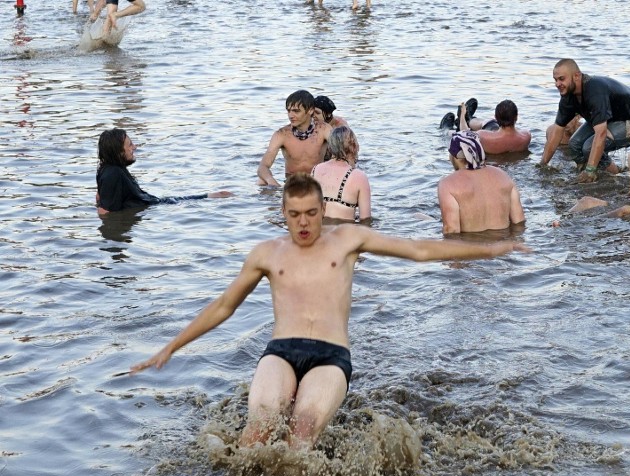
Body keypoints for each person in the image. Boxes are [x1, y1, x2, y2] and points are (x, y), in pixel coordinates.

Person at [131, 173, 529, 451]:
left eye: (310, 213)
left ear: (323, 209)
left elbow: (420, 249)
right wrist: (170, 347)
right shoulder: (267, 254)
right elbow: (222, 307)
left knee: (301, 434)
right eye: (294, 214)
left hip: (331, 356)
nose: (303, 223)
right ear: (283, 213)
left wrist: (494, 248)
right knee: (257, 433)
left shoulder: (347, 241)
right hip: (280, 352)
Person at [541, 58, 630, 184]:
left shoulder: (594, 90)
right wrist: (542, 165)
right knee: (574, 145)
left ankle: (613, 176)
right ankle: (592, 175)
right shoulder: (568, 96)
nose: (557, 84)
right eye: (555, 80)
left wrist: (590, 170)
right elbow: (557, 130)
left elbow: (601, 134)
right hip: (609, 119)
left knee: (588, 147)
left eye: (561, 79)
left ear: (577, 76)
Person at [95, 128, 232, 215]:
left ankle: (210, 195)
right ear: (118, 152)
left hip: (155, 203)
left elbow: (100, 198)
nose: (135, 147)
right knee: (218, 196)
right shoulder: (113, 174)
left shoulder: (108, 169)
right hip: (157, 206)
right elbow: (105, 212)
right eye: (130, 145)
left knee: (217, 195)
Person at [437, 131, 525, 234]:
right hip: (502, 247)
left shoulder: (447, 184)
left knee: (421, 217)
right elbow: (519, 222)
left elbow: (452, 231)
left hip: (472, 248)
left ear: (453, 156)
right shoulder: (504, 176)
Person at [257, 90, 332, 187]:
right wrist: (271, 182)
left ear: (310, 110)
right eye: (289, 111)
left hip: (317, 182)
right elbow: (262, 167)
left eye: (296, 111)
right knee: (261, 181)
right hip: (292, 183)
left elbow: (344, 154)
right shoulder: (281, 134)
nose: (290, 115)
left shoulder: (323, 129)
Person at [310, 126, 371, 222]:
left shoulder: (316, 170)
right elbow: (366, 220)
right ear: (354, 147)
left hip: (318, 232)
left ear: (330, 147)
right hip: (343, 233)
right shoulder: (359, 176)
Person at [458, 99, 532, 155]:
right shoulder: (526, 136)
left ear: (496, 117)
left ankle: (467, 118)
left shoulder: (482, 136)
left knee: (486, 122)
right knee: (489, 123)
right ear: (516, 117)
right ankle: (470, 118)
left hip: (493, 134)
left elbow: (464, 134)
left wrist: (462, 116)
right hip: (503, 131)